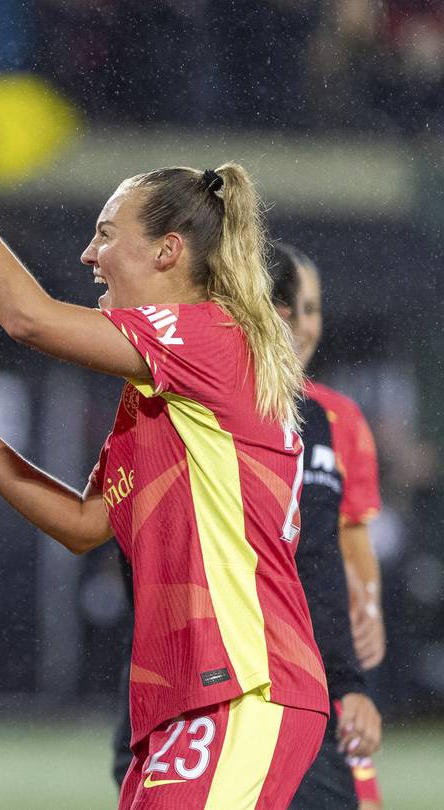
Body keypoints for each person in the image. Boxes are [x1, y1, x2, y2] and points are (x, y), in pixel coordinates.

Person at [0, 103, 328, 808]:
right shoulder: (158, 393)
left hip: (247, 682)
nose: (88, 256)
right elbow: (82, 525)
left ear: (168, 251)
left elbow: (27, 317)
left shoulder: (208, 336)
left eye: (105, 235)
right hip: (184, 697)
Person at [271, 243, 385, 810]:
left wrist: (367, 605)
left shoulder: (336, 417)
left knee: (356, 795)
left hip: (326, 644)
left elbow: (350, 531)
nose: (306, 324)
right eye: (298, 307)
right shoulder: (226, 403)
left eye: (315, 309)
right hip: (264, 650)